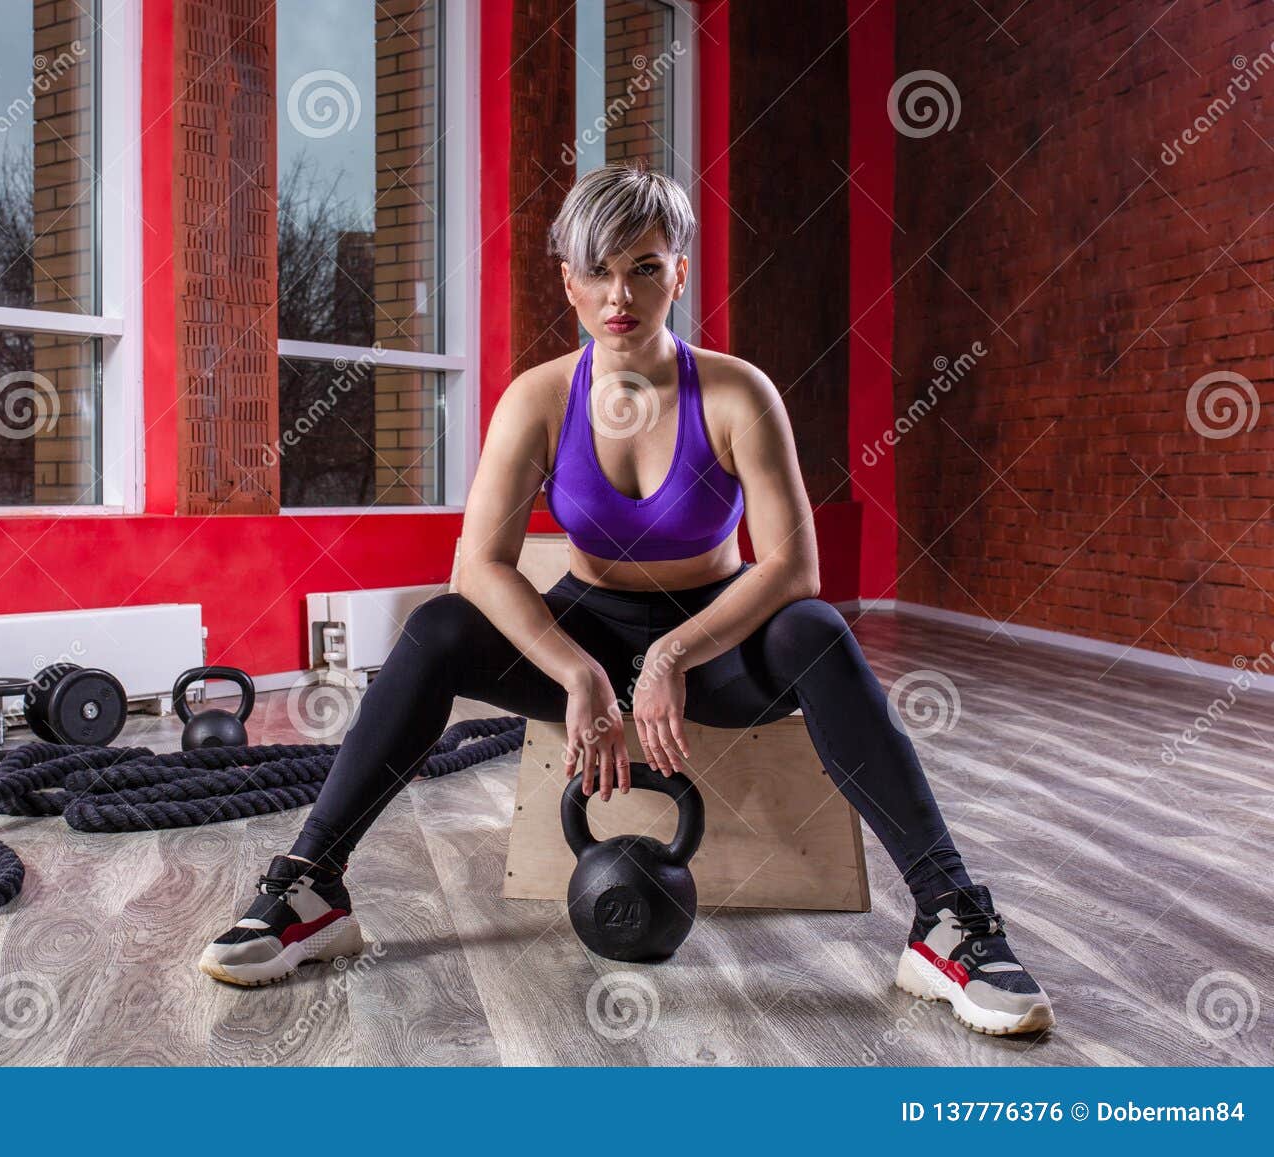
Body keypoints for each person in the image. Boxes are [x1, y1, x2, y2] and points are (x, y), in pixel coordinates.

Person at [199, 162, 1054, 1037]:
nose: (620, 294)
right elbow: (480, 567)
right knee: (438, 628)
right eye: (598, 270)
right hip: (589, 630)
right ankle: (312, 887)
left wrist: (675, 654)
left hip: (720, 648)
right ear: (568, 281)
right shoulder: (538, 399)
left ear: (678, 273)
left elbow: (794, 567)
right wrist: (579, 673)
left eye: (644, 267)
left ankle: (948, 920)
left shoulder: (736, 392)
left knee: (817, 630)